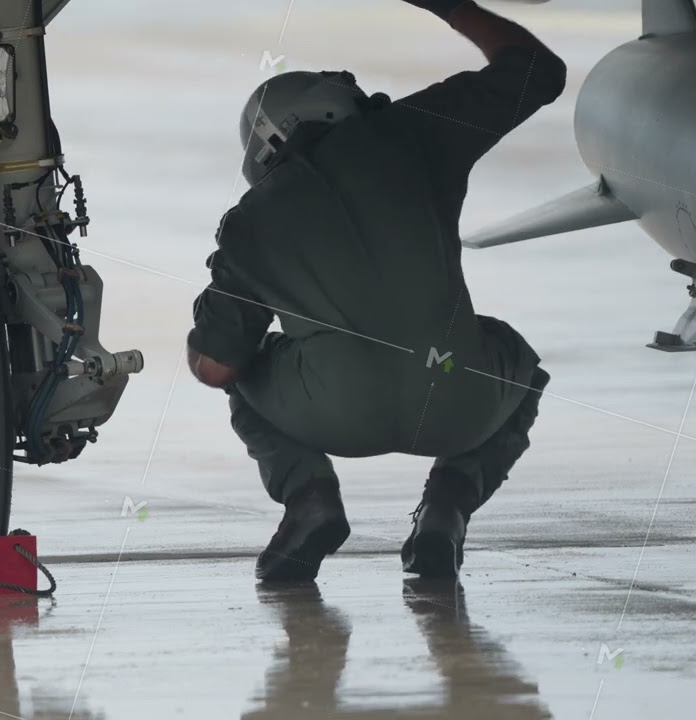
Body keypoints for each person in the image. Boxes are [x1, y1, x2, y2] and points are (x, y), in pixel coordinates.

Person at [187, 0, 566, 582]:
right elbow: (539, 71)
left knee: (244, 373)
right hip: (458, 401)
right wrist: (453, 7)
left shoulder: (251, 218)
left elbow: (215, 368)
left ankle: (309, 498)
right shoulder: (416, 132)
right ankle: (447, 509)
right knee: (520, 368)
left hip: (333, 415)